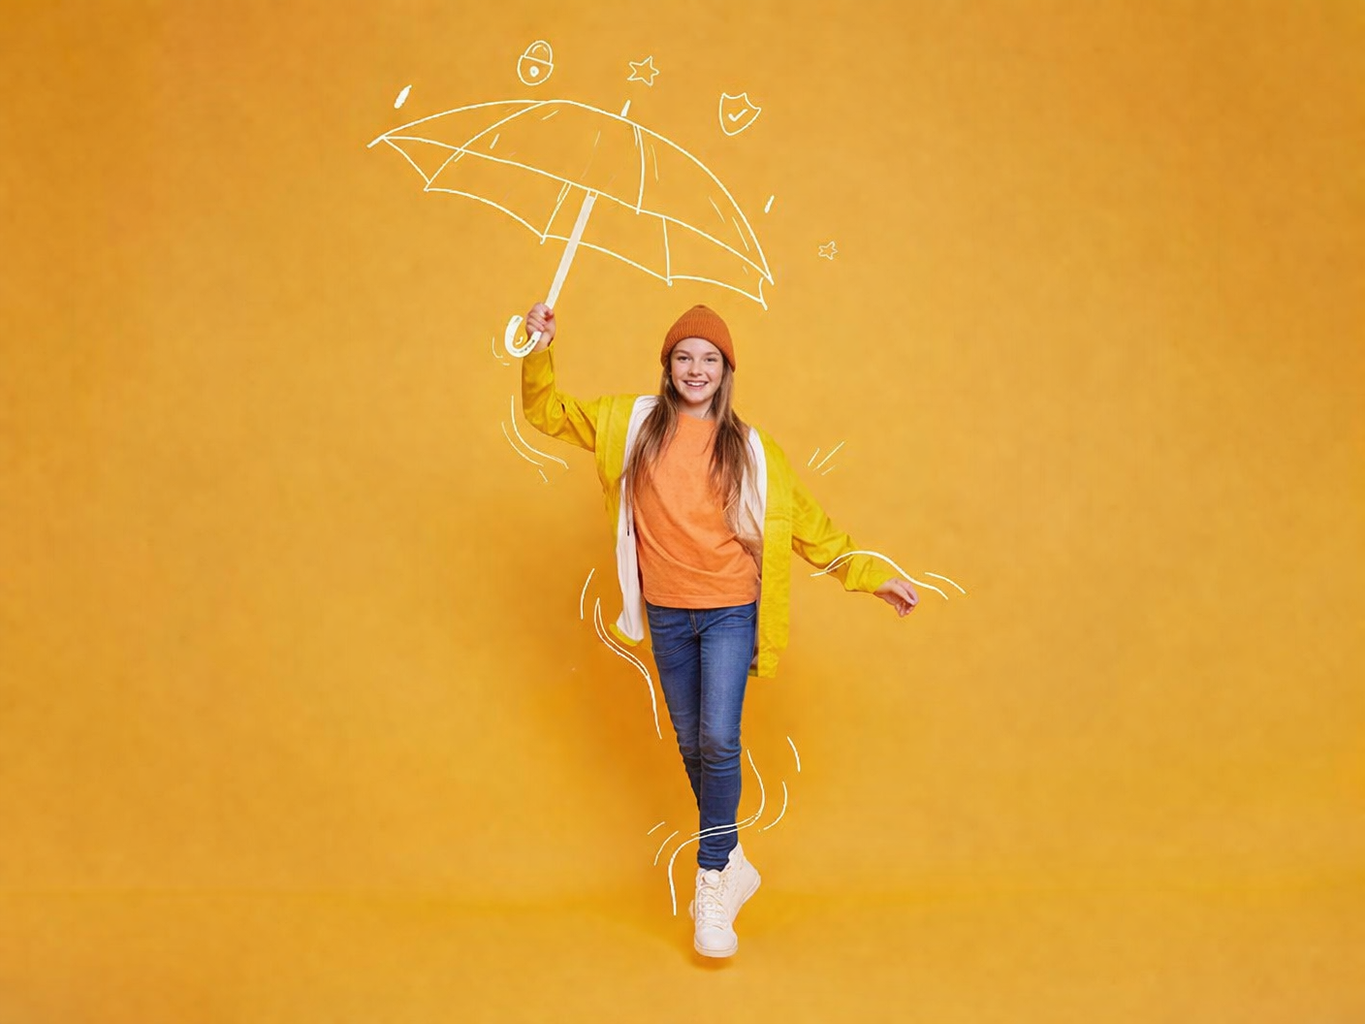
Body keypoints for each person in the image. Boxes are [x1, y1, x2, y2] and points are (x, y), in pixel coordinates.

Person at [520, 301, 919, 958]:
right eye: (684, 357)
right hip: (667, 613)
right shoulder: (631, 424)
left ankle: (711, 878)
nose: (695, 369)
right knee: (688, 740)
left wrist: (871, 574)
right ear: (667, 366)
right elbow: (546, 413)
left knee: (716, 736)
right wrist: (537, 349)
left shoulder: (752, 450)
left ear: (725, 371)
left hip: (731, 608)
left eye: (709, 359)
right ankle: (732, 859)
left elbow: (813, 531)